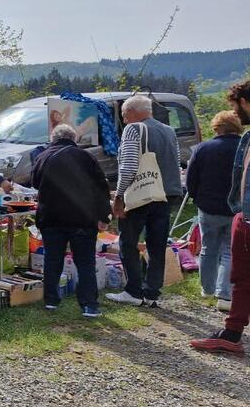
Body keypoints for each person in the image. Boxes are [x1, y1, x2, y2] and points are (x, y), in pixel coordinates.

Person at [106, 94, 182, 308]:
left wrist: (119, 196)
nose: (124, 120)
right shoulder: (169, 130)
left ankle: (133, 291)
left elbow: (129, 166)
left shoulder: (133, 129)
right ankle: (152, 293)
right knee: (157, 245)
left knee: (128, 242)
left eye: (124, 115)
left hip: (141, 195)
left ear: (131, 112)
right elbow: (176, 162)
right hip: (165, 194)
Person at [191, 80, 250, 356]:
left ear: (245, 101)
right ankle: (231, 331)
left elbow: (192, 178)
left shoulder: (205, 148)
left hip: (228, 213)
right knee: (239, 272)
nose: (236, 112)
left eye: (236, 105)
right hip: (239, 214)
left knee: (211, 251)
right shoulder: (245, 139)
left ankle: (212, 296)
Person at [31, 124, 111, 318]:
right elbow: (101, 188)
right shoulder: (86, 157)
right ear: (74, 139)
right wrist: (103, 216)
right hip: (82, 218)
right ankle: (89, 305)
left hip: (51, 217)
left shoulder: (43, 156)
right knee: (85, 262)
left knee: (52, 259)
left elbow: (35, 183)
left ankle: (51, 300)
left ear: (53, 139)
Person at [186, 110, 241, 309]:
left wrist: (196, 196)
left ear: (217, 128)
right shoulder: (244, 148)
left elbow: (191, 178)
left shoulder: (203, 148)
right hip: (236, 208)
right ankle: (224, 294)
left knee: (208, 248)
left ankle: (207, 289)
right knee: (230, 250)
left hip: (208, 206)